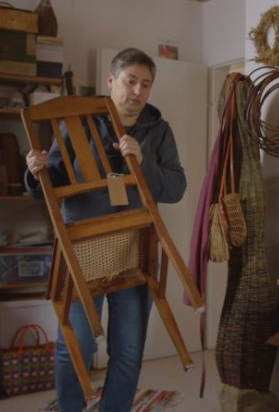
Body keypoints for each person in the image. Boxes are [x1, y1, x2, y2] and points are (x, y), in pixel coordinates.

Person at [24, 48, 187, 412]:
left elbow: (176, 187)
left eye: (146, 84)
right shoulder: (77, 122)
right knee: (76, 345)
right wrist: (35, 172)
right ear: (111, 81)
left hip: (135, 250)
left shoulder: (159, 130)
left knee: (128, 349)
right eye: (131, 81)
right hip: (83, 249)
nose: (138, 91)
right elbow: (50, 182)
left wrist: (142, 163)